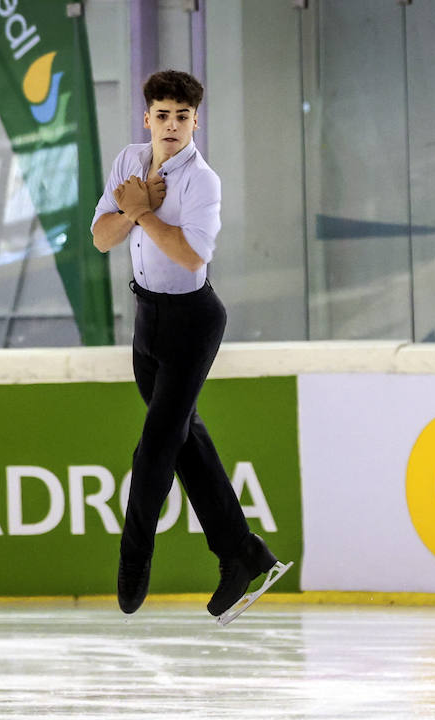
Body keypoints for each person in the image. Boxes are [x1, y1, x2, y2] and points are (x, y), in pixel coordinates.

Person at [91, 70, 289, 621]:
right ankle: (243, 553)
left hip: (193, 322)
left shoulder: (202, 181)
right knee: (186, 446)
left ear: (195, 121)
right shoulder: (128, 163)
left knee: (155, 449)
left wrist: (141, 212)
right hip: (146, 323)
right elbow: (100, 236)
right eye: (163, 115)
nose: (172, 125)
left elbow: (190, 256)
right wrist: (128, 210)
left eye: (183, 116)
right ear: (147, 118)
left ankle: (134, 562)